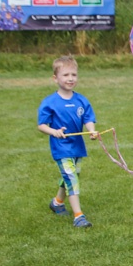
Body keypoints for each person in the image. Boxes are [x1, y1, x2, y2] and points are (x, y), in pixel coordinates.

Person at [37, 55, 99, 228]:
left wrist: (92, 130)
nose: (70, 78)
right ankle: (78, 216)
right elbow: (41, 125)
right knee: (71, 178)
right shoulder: (49, 102)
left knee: (71, 176)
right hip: (61, 147)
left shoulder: (81, 100)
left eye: (73, 75)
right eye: (65, 75)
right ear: (55, 78)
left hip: (77, 146)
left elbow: (88, 118)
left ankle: (57, 202)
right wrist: (54, 132)